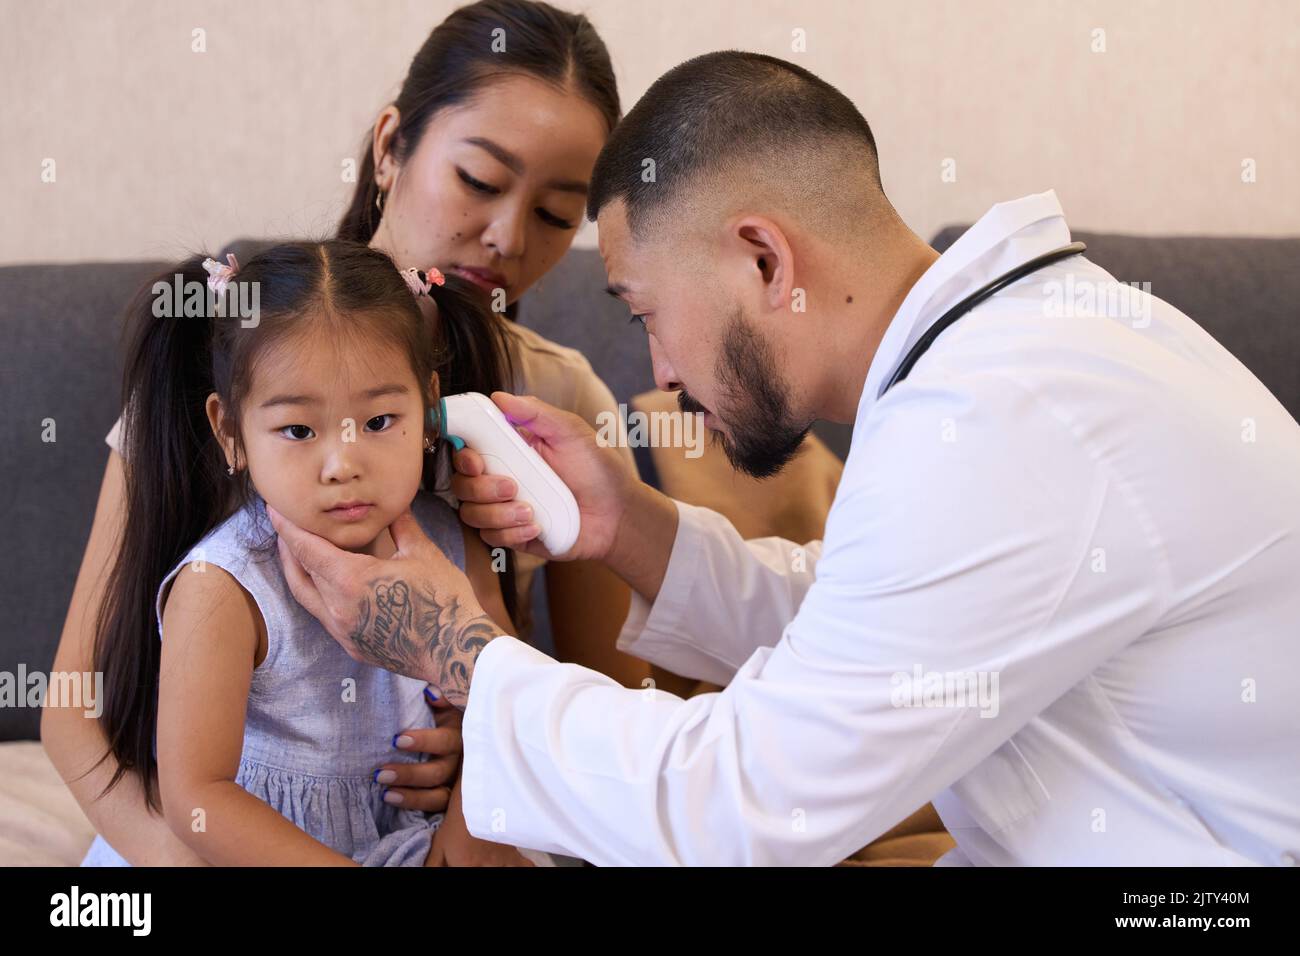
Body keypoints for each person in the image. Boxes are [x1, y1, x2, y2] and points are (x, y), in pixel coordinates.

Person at [271, 51, 1300, 865]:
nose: (661, 370)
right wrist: (628, 522)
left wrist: (460, 650)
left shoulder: (1007, 416)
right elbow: (876, 627)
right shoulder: (1004, 364)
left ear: (762, 260)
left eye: (647, 313)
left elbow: (750, 805)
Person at [43, 0, 637, 865]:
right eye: (479, 179)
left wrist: (482, 755)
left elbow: (598, 713)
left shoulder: (559, 402)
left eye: (555, 214)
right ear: (391, 146)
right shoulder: (234, 350)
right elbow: (75, 706)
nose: (508, 236)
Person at [80, 240, 534, 866]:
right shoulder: (224, 587)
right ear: (230, 433)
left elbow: (503, 711)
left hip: (413, 842)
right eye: (298, 430)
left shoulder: (455, 544)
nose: (343, 464)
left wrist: (459, 848)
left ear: (428, 407)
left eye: (378, 422)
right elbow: (195, 796)